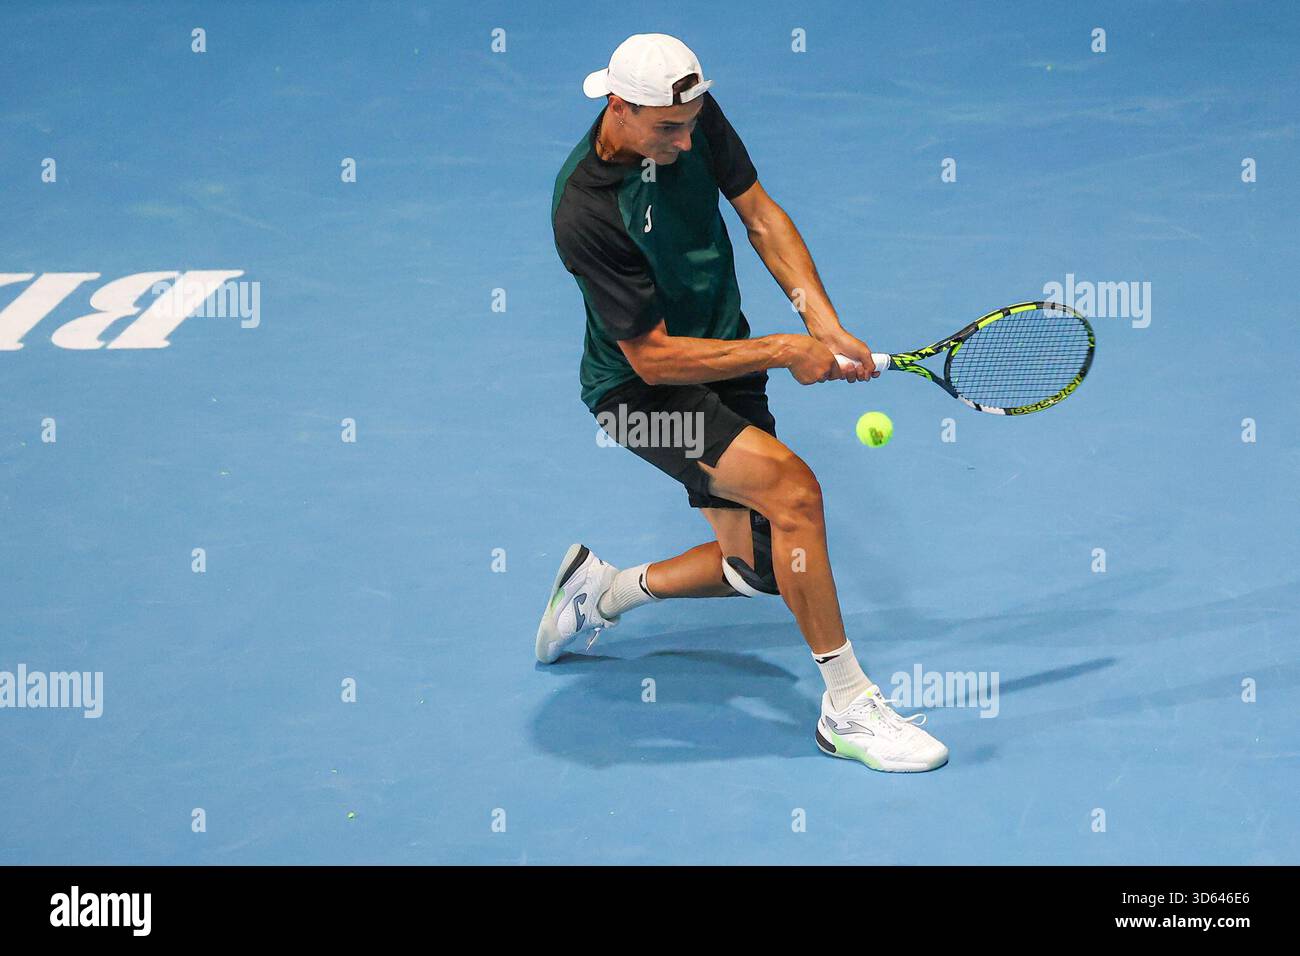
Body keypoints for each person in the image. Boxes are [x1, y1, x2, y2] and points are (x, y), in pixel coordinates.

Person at [542, 34, 947, 772]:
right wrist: (787, 349)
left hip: (720, 356)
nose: (687, 137)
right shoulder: (586, 210)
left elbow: (759, 213)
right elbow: (653, 357)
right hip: (638, 394)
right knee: (795, 492)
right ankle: (848, 708)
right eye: (668, 128)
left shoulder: (686, 111)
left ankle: (601, 592)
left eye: (692, 121)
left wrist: (819, 320)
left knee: (759, 565)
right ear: (618, 107)